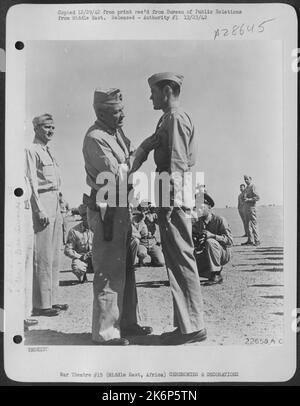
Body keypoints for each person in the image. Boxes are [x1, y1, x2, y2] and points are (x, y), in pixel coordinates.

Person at [131, 72, 206, 345]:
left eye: (153, 91)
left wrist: (171, 202)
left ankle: (192, 326)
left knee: (181, 259)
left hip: (173, 193)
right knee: (176, 260)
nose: (150, 97)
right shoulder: (168, 118)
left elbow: (175, 165)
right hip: (172, 191)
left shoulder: (174, 118)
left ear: (167, 91)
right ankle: (187, 324)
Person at [82, 88, 152, 345]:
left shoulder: (115, 133)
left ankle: (127, 323)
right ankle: (106, 333)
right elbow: (118, 174)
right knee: (109, 269)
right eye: (116, 111)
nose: (122, 115)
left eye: (122, 109)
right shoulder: (96, 138)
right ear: (101, 113)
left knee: (126, 268)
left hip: (120, 204)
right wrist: (143, 150)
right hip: (107, 207)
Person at [25, 113, 68, 317]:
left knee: (54, 254)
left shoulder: (48, 151)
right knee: (42, 254)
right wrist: (38, 208)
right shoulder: (31, 150)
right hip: (42, 202)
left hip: (55, 202)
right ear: (36, 129)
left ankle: (53, 300)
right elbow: (31, 181)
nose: (50, 131)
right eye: (46, 127)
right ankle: (41, 304)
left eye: (52, 127)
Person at [192, 193, 233, 285]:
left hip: (223, 252)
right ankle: (209, 271)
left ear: (209, 207)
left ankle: (216, 274)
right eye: (197, 208)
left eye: (201, 207)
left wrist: (213, 236)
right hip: (207, 253)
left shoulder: (219, 220)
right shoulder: (197, 223)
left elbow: (230, 241)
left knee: (210, 242)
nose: (199, 210)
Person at [64, 203, 93, 283]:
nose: (87, 217)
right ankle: (83, 276)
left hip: (97, 259)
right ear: (81, 216)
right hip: (83, 258)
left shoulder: (99, 229)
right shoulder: (74, 231)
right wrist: (80, 256)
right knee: (77, 267)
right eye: (84, 215)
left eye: (89, 214)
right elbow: (67, 250)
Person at [242, 175, 261, 246]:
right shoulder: (246, 188)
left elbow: (257, 197)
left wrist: (249, 199)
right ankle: (250, 240)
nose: (246, 180)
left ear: (250, 179)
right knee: (247, 225)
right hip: (246, 208)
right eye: (244, 179)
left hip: (252, 208)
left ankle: (257, 240)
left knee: (253, 224)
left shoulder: (253, 186)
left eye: (247, 179)